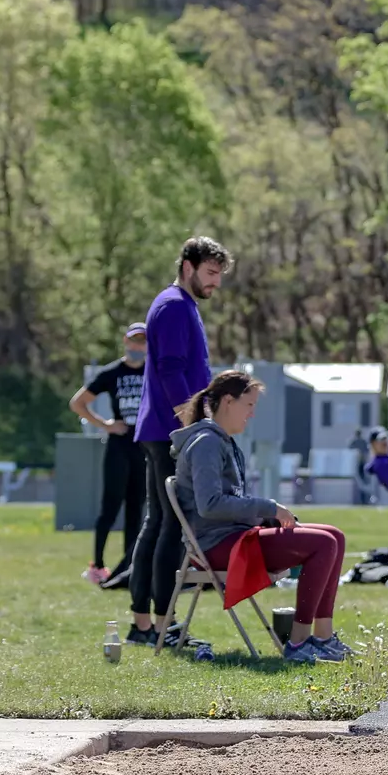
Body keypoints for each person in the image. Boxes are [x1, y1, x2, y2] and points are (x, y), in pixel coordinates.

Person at [171, 371, 350, 665]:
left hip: (236, 537)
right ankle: (299, 643)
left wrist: (264, 518)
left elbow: (232, 502)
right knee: (323, 544)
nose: (252, 414)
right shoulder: (206, 442)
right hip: (217, 547)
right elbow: (210, 505)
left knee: (335, 536)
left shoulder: (223, 441)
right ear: (228, 401)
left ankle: (323, 638)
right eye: (249, 405)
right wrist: (268, 508)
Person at [125, 237, 228, 643]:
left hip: (164, 427)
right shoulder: (171, 305)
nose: (215, 283)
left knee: (159, 523)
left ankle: (146, 625)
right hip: (169, 430)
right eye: (210, 273)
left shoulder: (184, 306)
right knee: (171, 525)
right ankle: (158, 626)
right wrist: (191, 426)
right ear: (188, 266)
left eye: (219, 275)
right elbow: (169, 371)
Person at [70, 323, 149, 588]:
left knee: (136, 510)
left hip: (144, 446)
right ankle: (98, 565)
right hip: (118, 446)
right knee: (110, 507)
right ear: (125, 342)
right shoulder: (112, 372)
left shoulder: (154, 372)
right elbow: (77, 402)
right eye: (134, 341)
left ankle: (131, 565)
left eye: (143, 342)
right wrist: (105, 424)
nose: (138, 347)